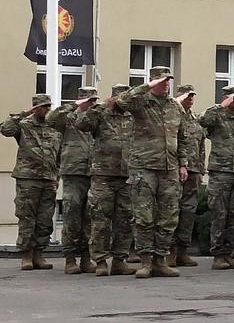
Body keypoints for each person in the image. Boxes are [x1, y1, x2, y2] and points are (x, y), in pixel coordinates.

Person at [116, 66, 185, 278]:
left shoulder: (175, 106)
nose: (166, 84)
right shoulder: (140, 102)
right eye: (162, 80)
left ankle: (160, 260)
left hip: (169, 168)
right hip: (143, 167)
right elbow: (121, 102)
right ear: (153, 81)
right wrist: (146, 87)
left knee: (169, 216)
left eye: (168, 81)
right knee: (144, 216)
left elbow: (182, 137)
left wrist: (183, 163)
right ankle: (145, 261)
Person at [74, 84, 136, 276]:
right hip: (103, 175)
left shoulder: (133, 116)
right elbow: (82, 124)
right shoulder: (101, 114)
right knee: (100, 219)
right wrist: (101, 106)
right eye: (118, 99)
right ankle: (100, 261)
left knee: (125, 220)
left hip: (127, 175)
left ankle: (120, 260)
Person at [1, 94, 61, 271]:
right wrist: (24, 114)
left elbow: (58, 155)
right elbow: (5, 129)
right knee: (27, 217)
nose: (46, 109)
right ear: (35, 108)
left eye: (48, 106)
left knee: (44, 220)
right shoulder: (24, 125)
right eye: (43, 106)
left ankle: (38, 254)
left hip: (48, 179)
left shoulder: (54, 128)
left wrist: (57, 177)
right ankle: (26, 255)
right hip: (28, 179)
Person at [47, 87, 98, 275]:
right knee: (71, 215)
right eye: (89, 100)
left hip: (93, 173)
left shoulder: (95, 120)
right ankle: (70, 258)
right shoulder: (67, 119)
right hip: (73, 173)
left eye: (94, 100)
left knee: (89, 217)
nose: (92, 104)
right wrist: (74, 106)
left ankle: (86, 258)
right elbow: (51, 119)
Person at [199, 85, 234, 270]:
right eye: (233, 98)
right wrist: (221, 106)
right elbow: (202, 121)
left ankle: (229, 251)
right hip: (220, 172)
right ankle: (218, 254)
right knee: (220, 215)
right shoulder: (217, 116)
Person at [169, 85, 205, 268]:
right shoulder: (172, 115)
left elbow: (201, 146)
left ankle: (183, 251)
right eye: (187, 96)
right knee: (171, 210)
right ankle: (169, 252)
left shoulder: (195, 119)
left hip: (192, 170)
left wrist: (200, 170)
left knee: (188, 211)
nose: (190, 99)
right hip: (174, 169)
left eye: (192, 96)